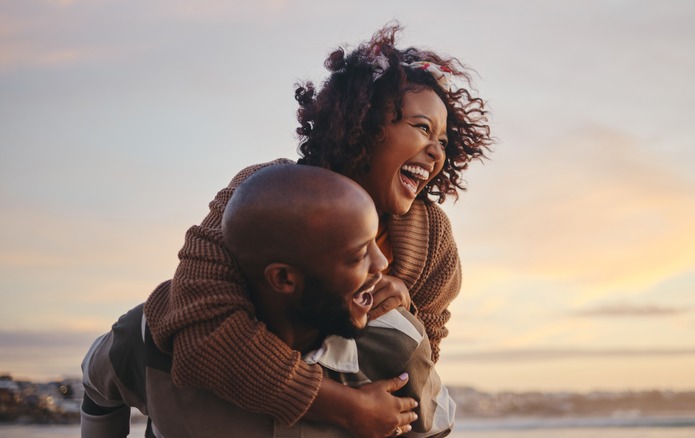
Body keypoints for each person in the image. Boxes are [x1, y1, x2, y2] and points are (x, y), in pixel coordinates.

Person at [144, 23, 492, 438]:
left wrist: (406, 312)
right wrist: (345, 407)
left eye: (443, 140)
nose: (436, 151)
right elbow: (201, 330)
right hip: (222, 410)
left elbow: (420, 364)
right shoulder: (263, 194)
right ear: (363, 123)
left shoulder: (432, 237)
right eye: (421, 127)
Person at [81, 165, 455, 437]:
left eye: (378, 241)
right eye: (359, 255)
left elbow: (434, 428)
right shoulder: (153, 335)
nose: (384, 264)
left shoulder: (396, 344)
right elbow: (97, 386)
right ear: (284, 278)